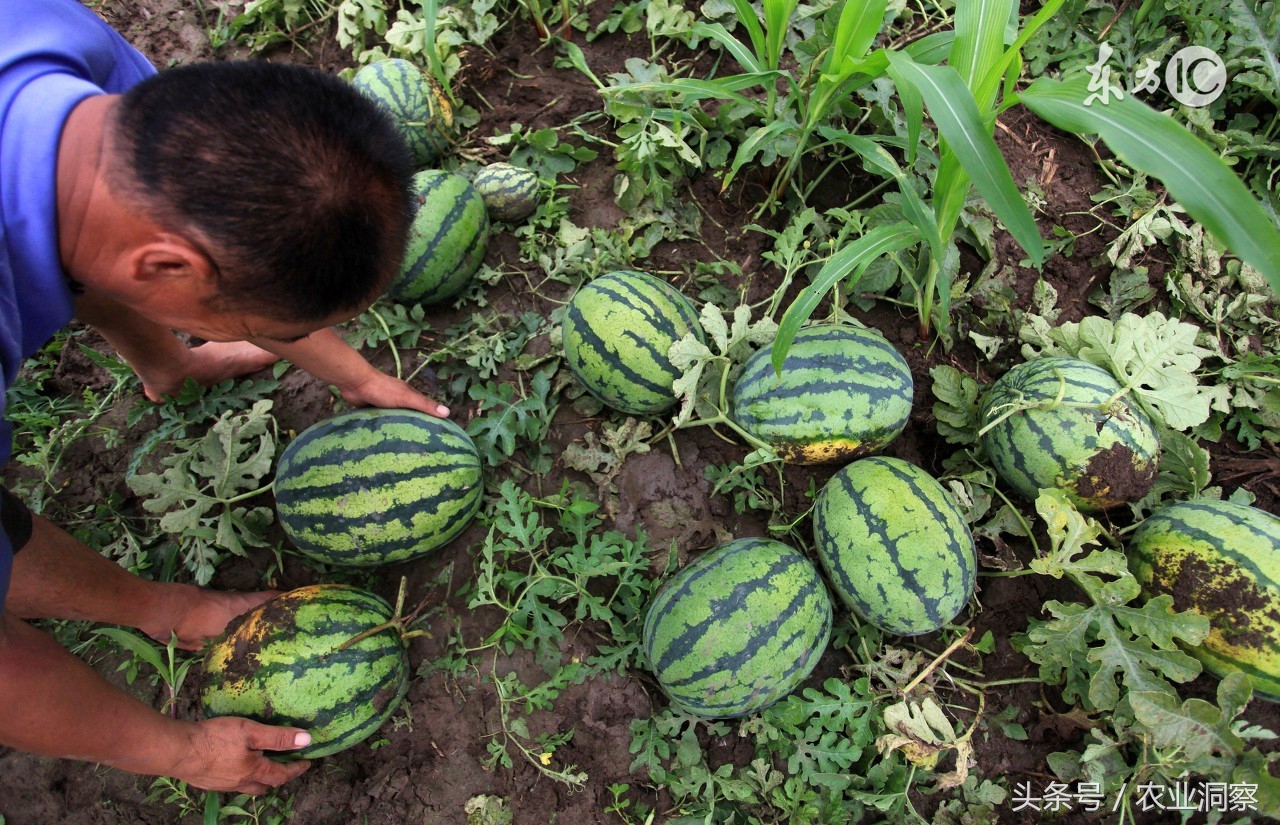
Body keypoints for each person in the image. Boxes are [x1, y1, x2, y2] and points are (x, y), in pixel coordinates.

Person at [0, 0, 446, 795]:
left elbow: (106, 234)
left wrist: (355, 376)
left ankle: (163, 403)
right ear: (167, 269)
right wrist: (180, 751)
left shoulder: (64, 54)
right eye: (253, 322)